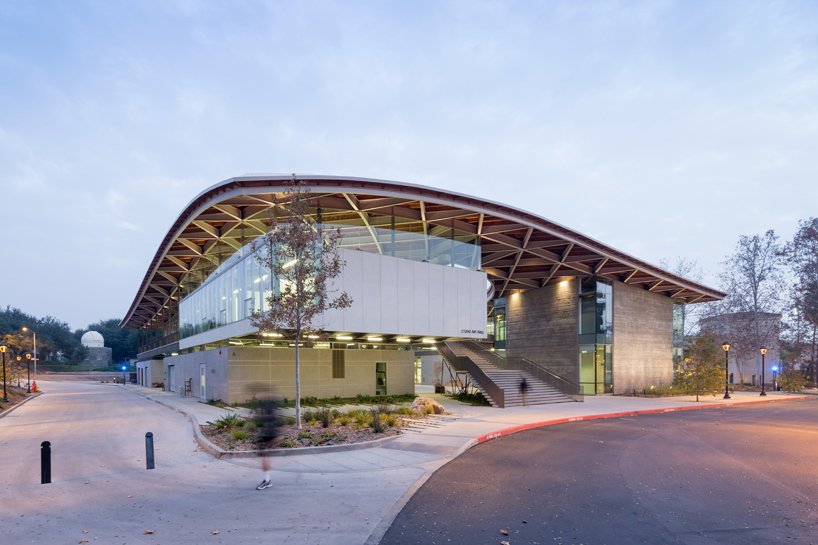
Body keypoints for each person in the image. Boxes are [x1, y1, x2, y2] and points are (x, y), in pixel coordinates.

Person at [253, 391, 283, 490]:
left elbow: (272, 418)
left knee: (264, 454)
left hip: (270, 433)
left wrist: (258, 417)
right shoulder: (267, 404)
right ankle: (267, 479)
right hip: (267, 432)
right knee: (264, 455)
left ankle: (267, 481)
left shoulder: (269, 405)